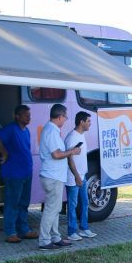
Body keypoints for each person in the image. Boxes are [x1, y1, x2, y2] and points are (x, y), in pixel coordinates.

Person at [38, 104, 82, 250]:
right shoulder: (51, 131)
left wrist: (69, 151)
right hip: (53, 176)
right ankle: (44, 240)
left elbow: (57, 152)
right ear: (60, 117)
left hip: (54, 175)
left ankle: (55, 237)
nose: (65, 120)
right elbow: (56, 154)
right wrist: (72, 152)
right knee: (51, 209)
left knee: (55, 208)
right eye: (65, 117)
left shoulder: (51, 130)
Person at [0, 105, 38, 243]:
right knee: (12, 203)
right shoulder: (11, 129)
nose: (28, 117)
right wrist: (4, 153)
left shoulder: (27, 131)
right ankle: (10, 232)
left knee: (24, 203)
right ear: (17, 116)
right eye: (25, 115)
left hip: (26, 173)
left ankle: (23, 230)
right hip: (14, 174)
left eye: (29, 115)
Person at [64, 111, 96, 241]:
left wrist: (82, 175)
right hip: (73, 177)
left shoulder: (81, 135)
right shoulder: (72, 137)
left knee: (85, 202)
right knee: (72, 205)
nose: (90, 124)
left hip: (82, 176)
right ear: (81, 122)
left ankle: (84, 228)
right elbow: (69, 159)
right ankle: (71, 232)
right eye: (88, 121)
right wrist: (77, 176)